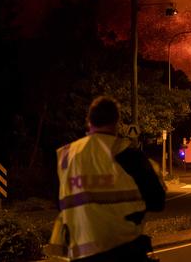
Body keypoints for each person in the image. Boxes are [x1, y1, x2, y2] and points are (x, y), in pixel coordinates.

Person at [47, 96, 166, 261]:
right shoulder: (127, 153)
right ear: (117, 121)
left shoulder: (66, 156)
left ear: (89, 121)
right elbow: (157, 201)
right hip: (125, 250)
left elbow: (59, 202)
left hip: (81, 253)